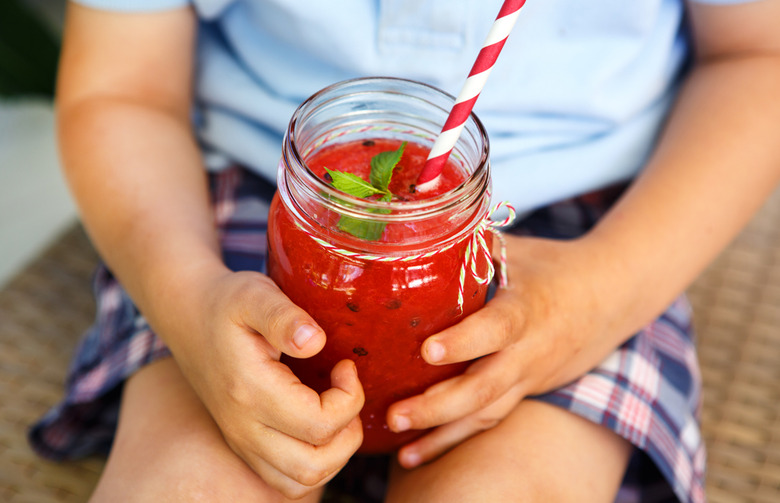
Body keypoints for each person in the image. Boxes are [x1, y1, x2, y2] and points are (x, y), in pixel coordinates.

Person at [29, 0, 780, 502]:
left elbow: (759, 55)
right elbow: (120, 89)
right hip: (247, 204)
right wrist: (186, 299)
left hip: (588, 243)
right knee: (185, 481)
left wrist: (603, 292)